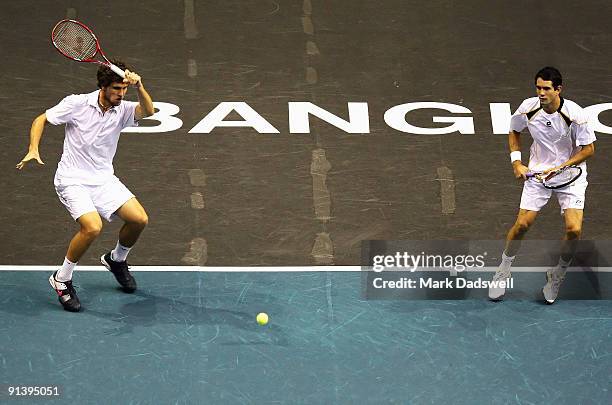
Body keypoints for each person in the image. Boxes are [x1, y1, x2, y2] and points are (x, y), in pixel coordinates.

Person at [16, 61, 155, 312]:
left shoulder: (122, 109)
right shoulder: (77, 104)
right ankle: (61, 279)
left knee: (139, 219)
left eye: (124, 89)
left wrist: (140, 85)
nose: (121, 94)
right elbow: (41, 119)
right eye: (116, 88)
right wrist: (33, 148)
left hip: (103, 179)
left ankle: (116, 260)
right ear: (103, 86)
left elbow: (149, 111)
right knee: (92, 227)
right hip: (72, 179)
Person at [489, 66, 596, 304]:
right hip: (538, 175)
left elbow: (589, 149)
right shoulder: (528, 108)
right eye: (538, 87)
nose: (541, 93)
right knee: (522, 225)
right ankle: (504, 269)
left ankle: (557, 274)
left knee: (574, 230)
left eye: (546, 88)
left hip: (571, 177)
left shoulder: (575, 114)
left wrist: (562, 166)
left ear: (558, 89)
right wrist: (516, 163)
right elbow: (514, 131)